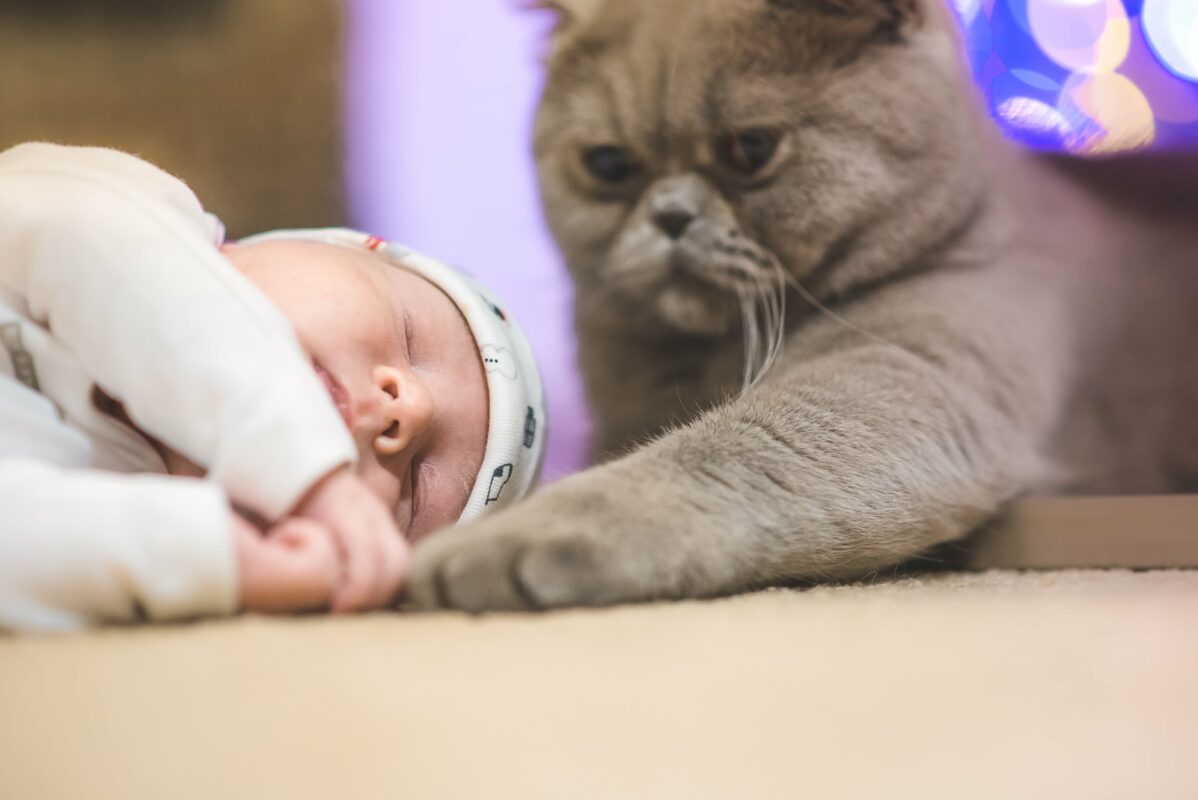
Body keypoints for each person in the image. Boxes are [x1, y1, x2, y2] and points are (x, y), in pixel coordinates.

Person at [0, 142, 546, 631]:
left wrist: (215, 559)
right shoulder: (141, 216)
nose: (409, 410)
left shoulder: (112, 491)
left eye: (417, 489)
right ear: (310, 246)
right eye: (411, 335)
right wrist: (309, 475)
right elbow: (102, 253)